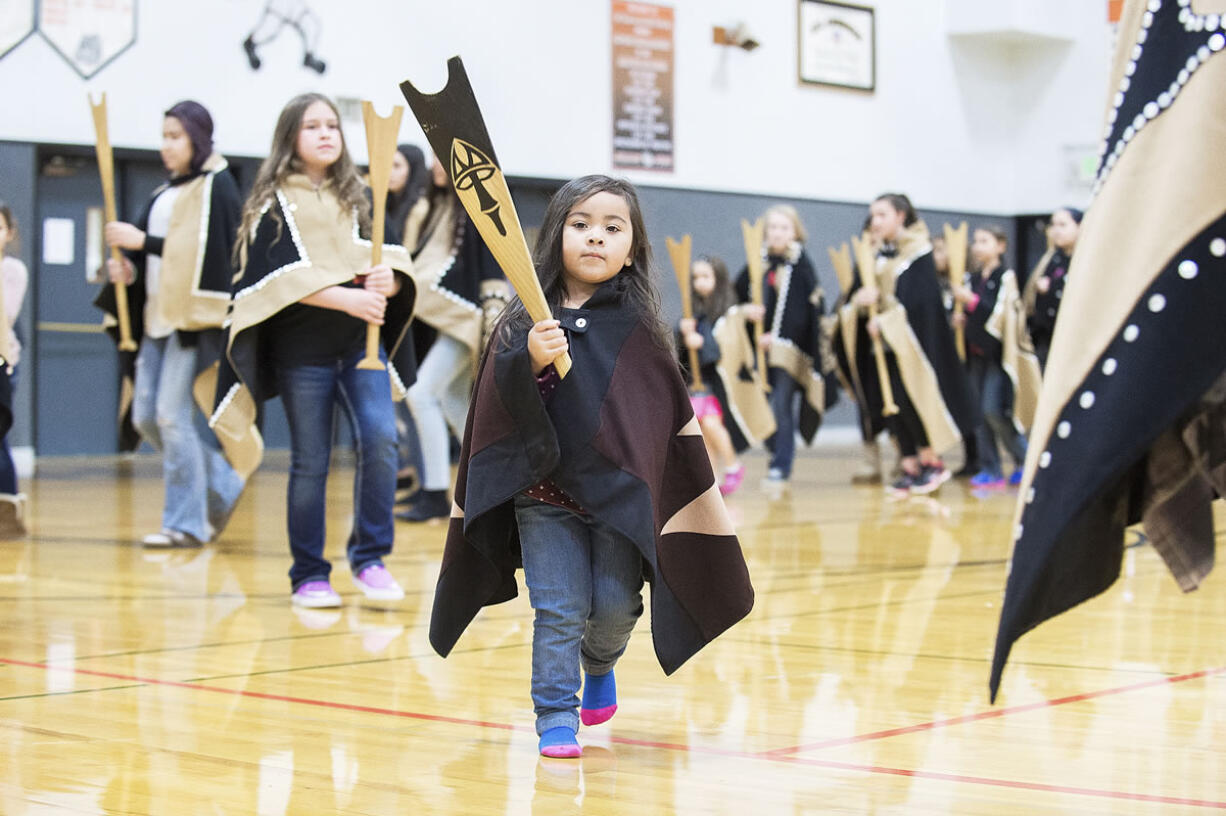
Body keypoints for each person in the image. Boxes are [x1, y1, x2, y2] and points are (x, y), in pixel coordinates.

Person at [427, 175, 754, 758]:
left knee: (611, 607)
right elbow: (496, 409)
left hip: (614, 499)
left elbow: (655, 423)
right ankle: (555, 713)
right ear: (556, 236)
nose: (595, 238)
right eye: (580, 224)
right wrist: (527, 360)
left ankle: (600, 662)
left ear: (633, 246)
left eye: (612, 227)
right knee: (558, 607)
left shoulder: (641, 333)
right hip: (543, 494)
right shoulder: (522, 319)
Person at [209, 93, 417, 608]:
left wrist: (389, 282)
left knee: (382, 439)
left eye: (332, 125)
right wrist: (346, 297)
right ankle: (309, 573)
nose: (326, 133)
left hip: (360, 349)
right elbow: (268, 279)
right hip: (303, 352)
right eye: (311, 126)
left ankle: (370, 558)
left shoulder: (362, 197)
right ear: (290, 138)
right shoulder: (269, 203)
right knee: (311, 461)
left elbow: (392, 262)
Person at [97, 100, 245, 547]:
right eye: (163, 136)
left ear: (197, 138)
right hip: (155, 319)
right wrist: (131, 269)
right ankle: (222, 480)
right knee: (144, 418)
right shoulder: (165, 193)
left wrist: (145, 241)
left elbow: (215, 252)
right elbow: (155, 259)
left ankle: (185, 523)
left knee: (171, 417)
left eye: (175, 136)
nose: (166, 146)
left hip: (191, 321)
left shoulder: (218, 186)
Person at [396, 156, 508, 522]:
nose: (435, 165)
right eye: (431, 158)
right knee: (453, 400)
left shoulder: (480, 207)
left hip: (469, 318)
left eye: (442, 157)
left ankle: (434, 493)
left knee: (423, 393)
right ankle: (494, 485)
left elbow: (491, 267)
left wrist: (493, 317)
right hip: (454, 319)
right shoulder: (438, 208)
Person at [849, 193, 974, 497]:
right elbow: (859, 295)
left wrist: (887, 319)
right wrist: (861, 302)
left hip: (912, 344)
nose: (875, 222)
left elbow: (920, 304)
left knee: (910, 399)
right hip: (884, 344)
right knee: (889, 402)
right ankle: (909, 464)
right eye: (873, 216)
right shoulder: (877, 254)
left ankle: (931, 460)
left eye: (882, 215)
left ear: (901, 216)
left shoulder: (919, 253)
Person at [734, 205, 831, 484]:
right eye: (773, 228)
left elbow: (804, 310)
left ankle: (782, 463)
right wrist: (747, 312)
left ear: (795, 232)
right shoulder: (757, 263)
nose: (777, 233)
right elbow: (737, 296)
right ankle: (776, 449)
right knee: (759, 406)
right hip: (759, 352)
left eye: (783, 228)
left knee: (781, 407)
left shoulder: (801, 265)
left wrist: (776, 337)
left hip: (787, 352)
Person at [678, 255, 774, 494]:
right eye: (695, 278)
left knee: (710, 424)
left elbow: (723, 350)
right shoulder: (695, 312)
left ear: (718, 280)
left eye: (705, 277)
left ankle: (732, 466)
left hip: (718, 383)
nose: (699, 282)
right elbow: (683, 355)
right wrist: (683, 334)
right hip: (699, 383)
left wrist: (701, 341)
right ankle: (711, 477)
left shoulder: (728, 314)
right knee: (703, 430)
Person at [951, 226, 1039, 488]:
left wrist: (972, 303)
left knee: (994, 410)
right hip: (975, 356)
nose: (978, 246)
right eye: (976, 242)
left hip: (999, 356)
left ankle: (1025, 459)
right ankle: (990, 467)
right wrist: (960, 318)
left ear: (1001, 246)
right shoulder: (972, 278)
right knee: (978, 414)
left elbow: (1000, 316)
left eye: (984, 241)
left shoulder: (1005, 277)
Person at [1024, 207, 1082, 370]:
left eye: (1063, 225)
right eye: (1054, 225)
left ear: (1080, 226)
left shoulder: (1085, 260)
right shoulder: (1052, 257)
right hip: (1046, 337)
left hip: (1072, 338)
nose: (1056, 230)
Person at [0, 203, 28, 537]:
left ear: (9, 233)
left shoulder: (13, 270)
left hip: (3, 361)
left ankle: (8, 512)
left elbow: (5, 315)